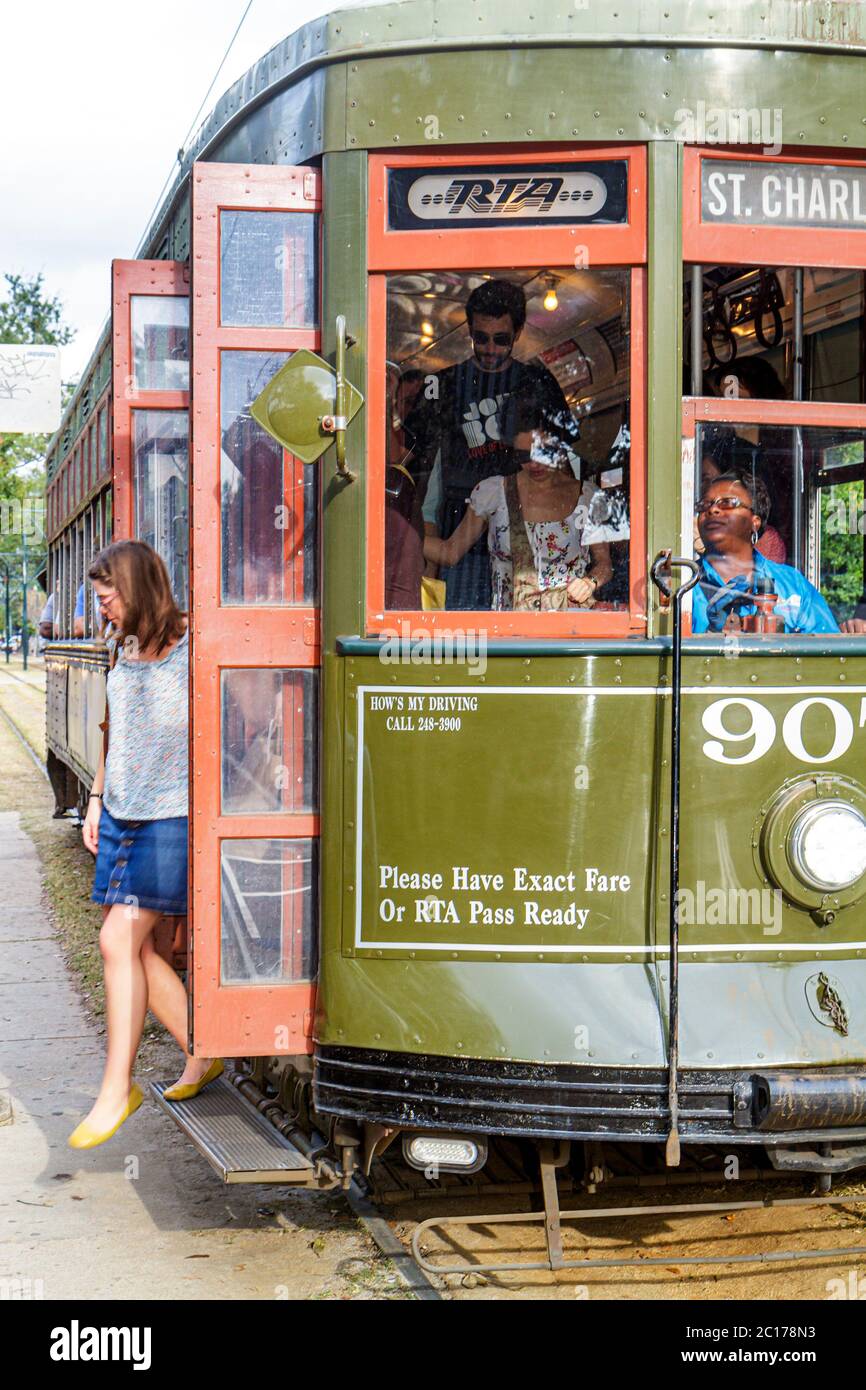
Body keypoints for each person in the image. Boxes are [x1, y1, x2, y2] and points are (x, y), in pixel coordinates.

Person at [68, 539, 222, 1150]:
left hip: (172, 815)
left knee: (115, 940)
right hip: (122, 812)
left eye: (109, 598)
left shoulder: (194, 647)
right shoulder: (123, 647)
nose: (103, 609)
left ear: (137, 587)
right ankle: (200, 1047)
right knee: (132, 952)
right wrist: (96, 799)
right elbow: (116, 733)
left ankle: (116, 1088)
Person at [404, 277, 576, 610]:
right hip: (462, 523)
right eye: (481, 338)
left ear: (518, 332)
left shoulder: (538, 382)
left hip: (529, 523)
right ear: (469, 330)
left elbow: (564, 461)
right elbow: (420, 468)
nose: (490, 349)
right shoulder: (445, 384)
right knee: (467, 634)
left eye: (501, 339)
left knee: (526, 628)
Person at [423, 406, 612, 611]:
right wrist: (401, 537)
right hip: (514, 633)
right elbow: (450, 552)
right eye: (524, 455)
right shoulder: (493, 493)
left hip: (571, 629)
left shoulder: (588, 497)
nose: (534, 464)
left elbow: (604, 563)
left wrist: (590, 582)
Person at [692, 470, 842, 635]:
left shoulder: (793, 585)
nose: (713, 510)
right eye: (705, 504)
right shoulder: (685, 586)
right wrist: (711, 633)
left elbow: (825, 650)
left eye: (727, 502)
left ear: (754, 522)